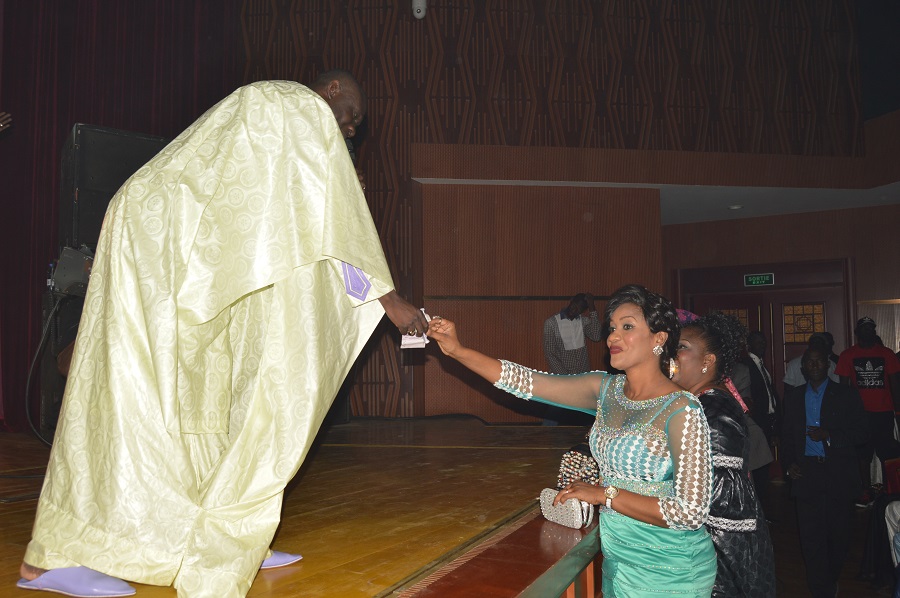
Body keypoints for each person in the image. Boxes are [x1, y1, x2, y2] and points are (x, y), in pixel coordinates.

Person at [18, 73, 429, 598]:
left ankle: (215, 536)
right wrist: (387, 299)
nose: (348, 131)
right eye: (349, 117)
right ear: (329, 89)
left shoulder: (288, 131)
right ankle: (52, 558)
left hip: (198, 253)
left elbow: (308, 225)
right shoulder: (292, 101)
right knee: (134, 394)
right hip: (161, 239)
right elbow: (328, 222)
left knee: (209, 400)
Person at [427, 284, 716, 596]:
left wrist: (604, 494)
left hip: (670, 571)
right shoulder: (604, 390)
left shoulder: (682, 409)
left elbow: (690, 513)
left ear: (658, 338)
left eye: (627, 327)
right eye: (612, 327)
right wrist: (458, 350)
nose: (613, 337)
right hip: (619, 560)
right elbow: (525, 381)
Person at [672, 312, 776, 597]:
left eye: (681, 347)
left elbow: (723, 504)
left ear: (708, 361)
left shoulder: (714, 411)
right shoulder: (701, 403)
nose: (672, 354)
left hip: (717, 565)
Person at [782, 347, 867, 598]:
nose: (815, 365)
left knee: (838, 535)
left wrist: (830, 436)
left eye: (819, 361)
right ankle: (821, 588)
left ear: (827, 365)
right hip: (807, 474)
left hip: (839, 473)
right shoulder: (795, 397)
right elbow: (787, 437)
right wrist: (789, 464)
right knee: (810, 537)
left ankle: (830, 578)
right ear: (803, 367)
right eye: (810, 362)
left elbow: (862, 434)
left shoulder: (847, 395)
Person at [836, 316, 900, 507]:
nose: (868, 332)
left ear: (874, 331)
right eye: (864, 329)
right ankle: (865, 491)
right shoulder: (847, 355)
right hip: (860, 415)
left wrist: (898, 413)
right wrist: (846, 415)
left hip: (884, 413)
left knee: (887, 453)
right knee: (862, 455)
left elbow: (895, 385)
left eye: (871, 329)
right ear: (857, 332)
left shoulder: (887, 354)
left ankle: (890, 490)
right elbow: (844, 389)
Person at [542, 292, 602, 425]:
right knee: (555, 410)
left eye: (580, 308)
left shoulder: (583, 322)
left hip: (582, 377)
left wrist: (592, 308)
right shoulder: (551, 323)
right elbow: (550, 353)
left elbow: (597, 336)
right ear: (570, 301)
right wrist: (566, 379)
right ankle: (545, 436)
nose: (576, 309)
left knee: (585, 414)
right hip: (561, 377)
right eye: (575, 305)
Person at [741, 331, 780, 505]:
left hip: (767, 420)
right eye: (758, 343)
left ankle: (764, 506)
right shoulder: (746, 365)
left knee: (764, 465)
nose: (762, 345)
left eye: (763, 342)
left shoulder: (761, 364)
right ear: (749, 345)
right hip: (756, 420)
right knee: (758, 467)